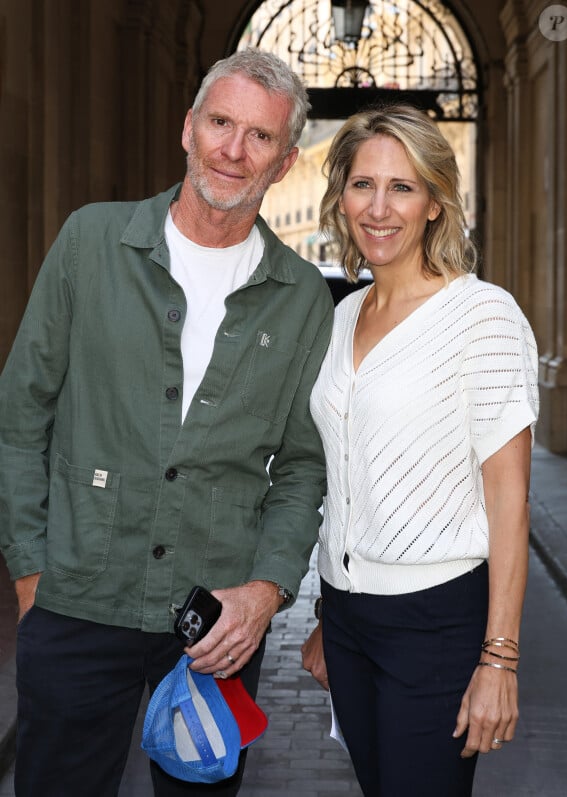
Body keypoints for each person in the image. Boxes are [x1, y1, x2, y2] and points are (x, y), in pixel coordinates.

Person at [0, 49, 334, 797]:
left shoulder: (302, 295)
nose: (232, 149)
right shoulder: (91, 243)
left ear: (283, 164)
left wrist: (268, 590)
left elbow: (304, 465)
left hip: (214, 625)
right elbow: (20, 417)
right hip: (77, 599)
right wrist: (30, 573)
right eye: (220, 122)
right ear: (188, 128)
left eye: (260, 137)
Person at [301, 103, 539, 797]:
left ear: (435, 202)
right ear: (340, 197)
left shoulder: (482, 315)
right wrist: (326, 612)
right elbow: (343, 474)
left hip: (436, 624)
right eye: (362, 185)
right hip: (347, 623)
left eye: (402, 187)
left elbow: (509, 500)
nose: (379, 207)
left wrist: (500, 658)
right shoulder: (344, 314)